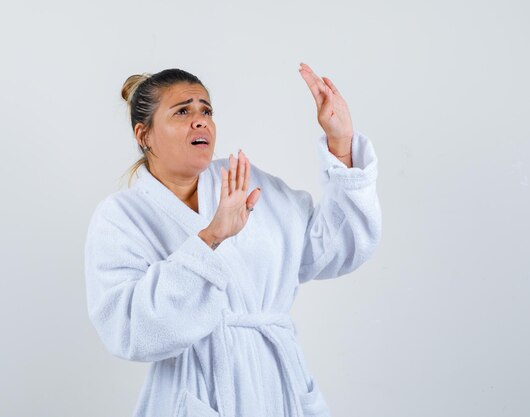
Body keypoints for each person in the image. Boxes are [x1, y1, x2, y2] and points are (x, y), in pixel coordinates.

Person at [84, 63, 381, 417]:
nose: (201, 121)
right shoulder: (122, 218)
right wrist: (211, 238)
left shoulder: (243, 181)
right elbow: (129, 328)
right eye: (183, 111)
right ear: (144, 135)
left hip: (279, 387)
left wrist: (341, 142)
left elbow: (334, 249)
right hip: (197, 390)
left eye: (206, 110)